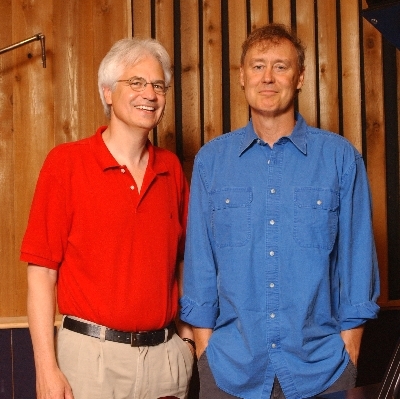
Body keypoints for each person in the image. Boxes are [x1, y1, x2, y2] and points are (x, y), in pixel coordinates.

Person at [180, 23, 380, 399]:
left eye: (281, 67)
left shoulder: (340, 158)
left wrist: (350, 347)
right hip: (229, 368)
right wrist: (205, 349)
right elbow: (200, 264)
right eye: (257, 66)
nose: (267, 77)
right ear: (242, 77)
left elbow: (357, 260)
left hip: (321, 368)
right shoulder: (212, 161)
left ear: (301, 77)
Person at [21, 37, 194, 399]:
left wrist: (187, 344)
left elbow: (183, 263)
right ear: (107, 93)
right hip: (90, 361)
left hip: (165, 360)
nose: (150, 93)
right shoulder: (65, 164)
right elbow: (41, 273)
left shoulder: (171, 169)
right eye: (136, 82)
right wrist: (46, 368)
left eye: (158, 85)